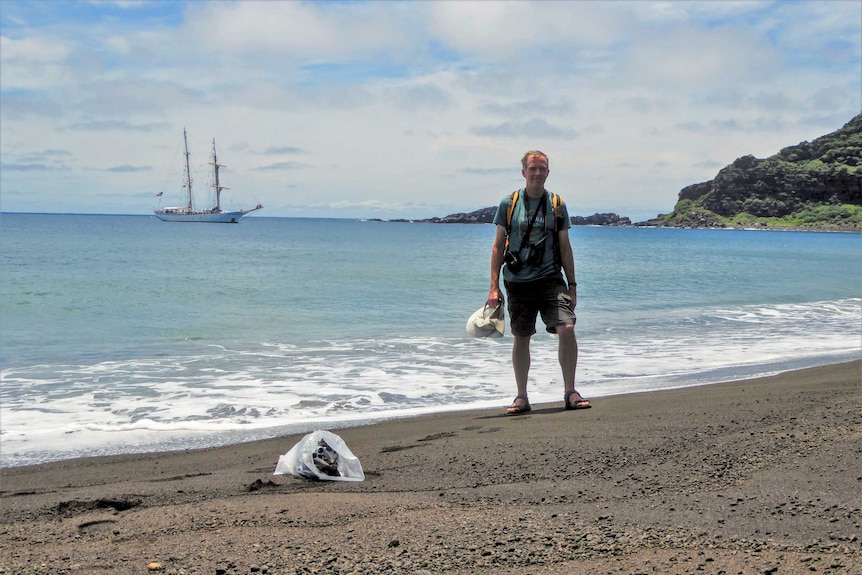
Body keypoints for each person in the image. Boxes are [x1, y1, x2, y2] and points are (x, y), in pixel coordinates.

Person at [487, 150, 591, 415]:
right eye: (532, 169)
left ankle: (570, 391)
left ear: (547, 172)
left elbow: (566, 247)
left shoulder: (556, 204)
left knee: (566, 327)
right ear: (524, 172)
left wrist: (573, 285)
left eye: (541, 168)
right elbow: (498, 246)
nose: (536, 173)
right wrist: (493, 286)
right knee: (521, 337)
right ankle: (521, 397)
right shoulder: (509, 203)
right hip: (517, 282)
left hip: (550, 279)